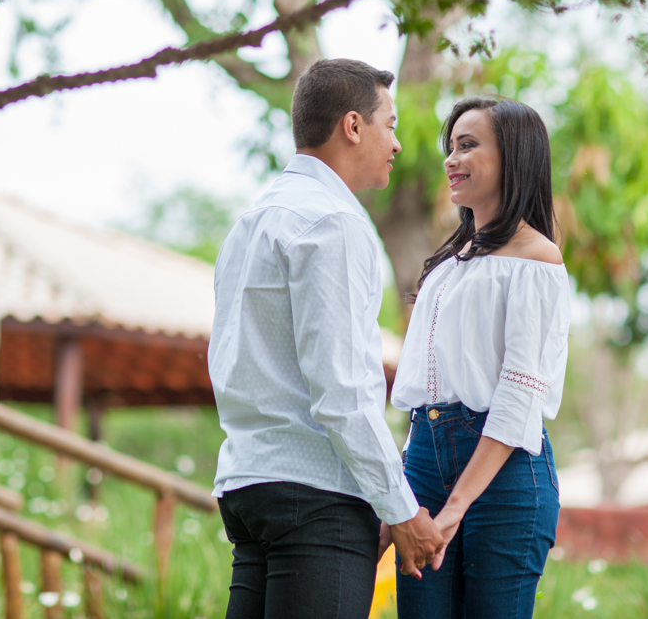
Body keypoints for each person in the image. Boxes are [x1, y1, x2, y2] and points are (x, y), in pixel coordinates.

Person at [208, 58, 445, 619]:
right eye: (390, 124)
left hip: (249, 483)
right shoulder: (333, 223)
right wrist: (403, 509)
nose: (398, 143)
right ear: (353, 125)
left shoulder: (253, 220)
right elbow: (343, 392)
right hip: (314, 494)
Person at [392, 95, 571, 619]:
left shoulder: (537, 259)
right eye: (450, 147)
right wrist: (401, 489)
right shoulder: (451, 262)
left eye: (467, 146)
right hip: (424, 458)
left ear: (513, 157)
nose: (451, 159)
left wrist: (455, 509)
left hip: (506, 471)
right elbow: (424, 386)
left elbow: (519, 395)